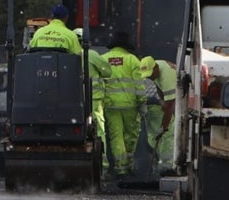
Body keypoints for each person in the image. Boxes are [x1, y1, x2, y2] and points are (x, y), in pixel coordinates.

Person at [102, 32, 146, 179]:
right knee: (131, 136)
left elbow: (99, 83)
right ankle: (128, 166)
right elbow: (139, 85)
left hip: (111, 105)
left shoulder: (103, 59)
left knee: (116, 136)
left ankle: (120, 168)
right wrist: (142, 102)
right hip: (130, 106)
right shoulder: (132, 60)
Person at [74, 28, 111, 160]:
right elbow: (108, 72)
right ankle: (102, 162)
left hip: (74, 100)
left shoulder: (70, 55)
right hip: (94, 99)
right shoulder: (92, 55)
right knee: (98, 130)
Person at [139, 55, 177, 176]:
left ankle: (166, 166)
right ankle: (159, 165)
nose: (150, 76)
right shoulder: (156, 69)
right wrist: (161, 100)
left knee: (169, 132)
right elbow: (158, 86)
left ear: (155, 68)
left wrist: (164, 127)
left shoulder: (167, 76)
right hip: (168, 100)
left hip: (178, 101)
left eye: (151, 73)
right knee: (155, 136)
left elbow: (170, 106)